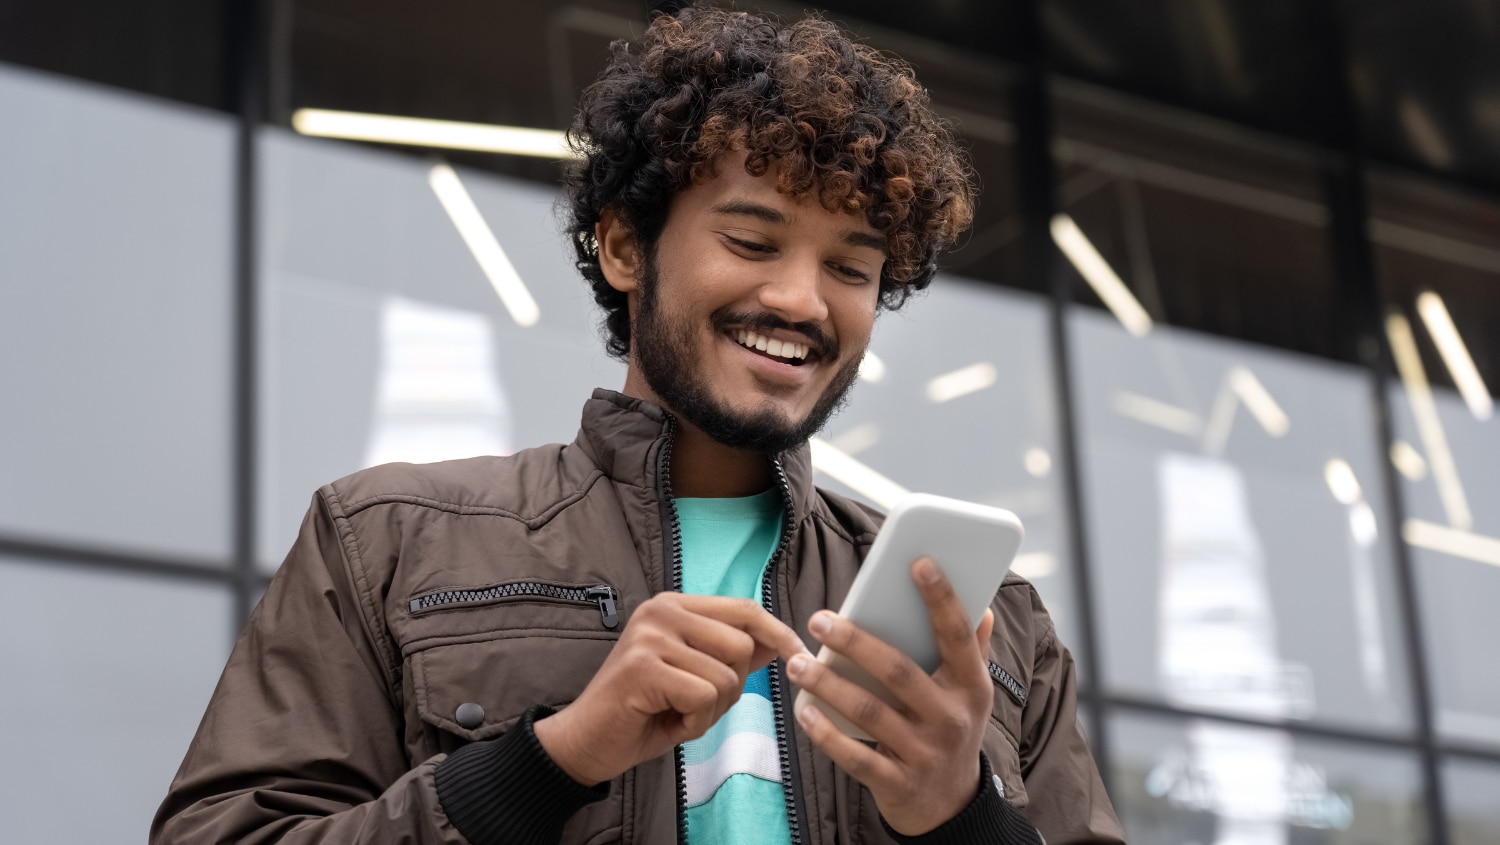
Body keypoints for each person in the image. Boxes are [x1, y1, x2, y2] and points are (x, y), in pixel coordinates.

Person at [152, 5, 1125, 844]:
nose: (801, 299)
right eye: (752, 240)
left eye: (852, 267)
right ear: (625, 245)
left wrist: (959, 814)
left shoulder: (996, 627)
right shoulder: (384, 538)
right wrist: (554, 756)